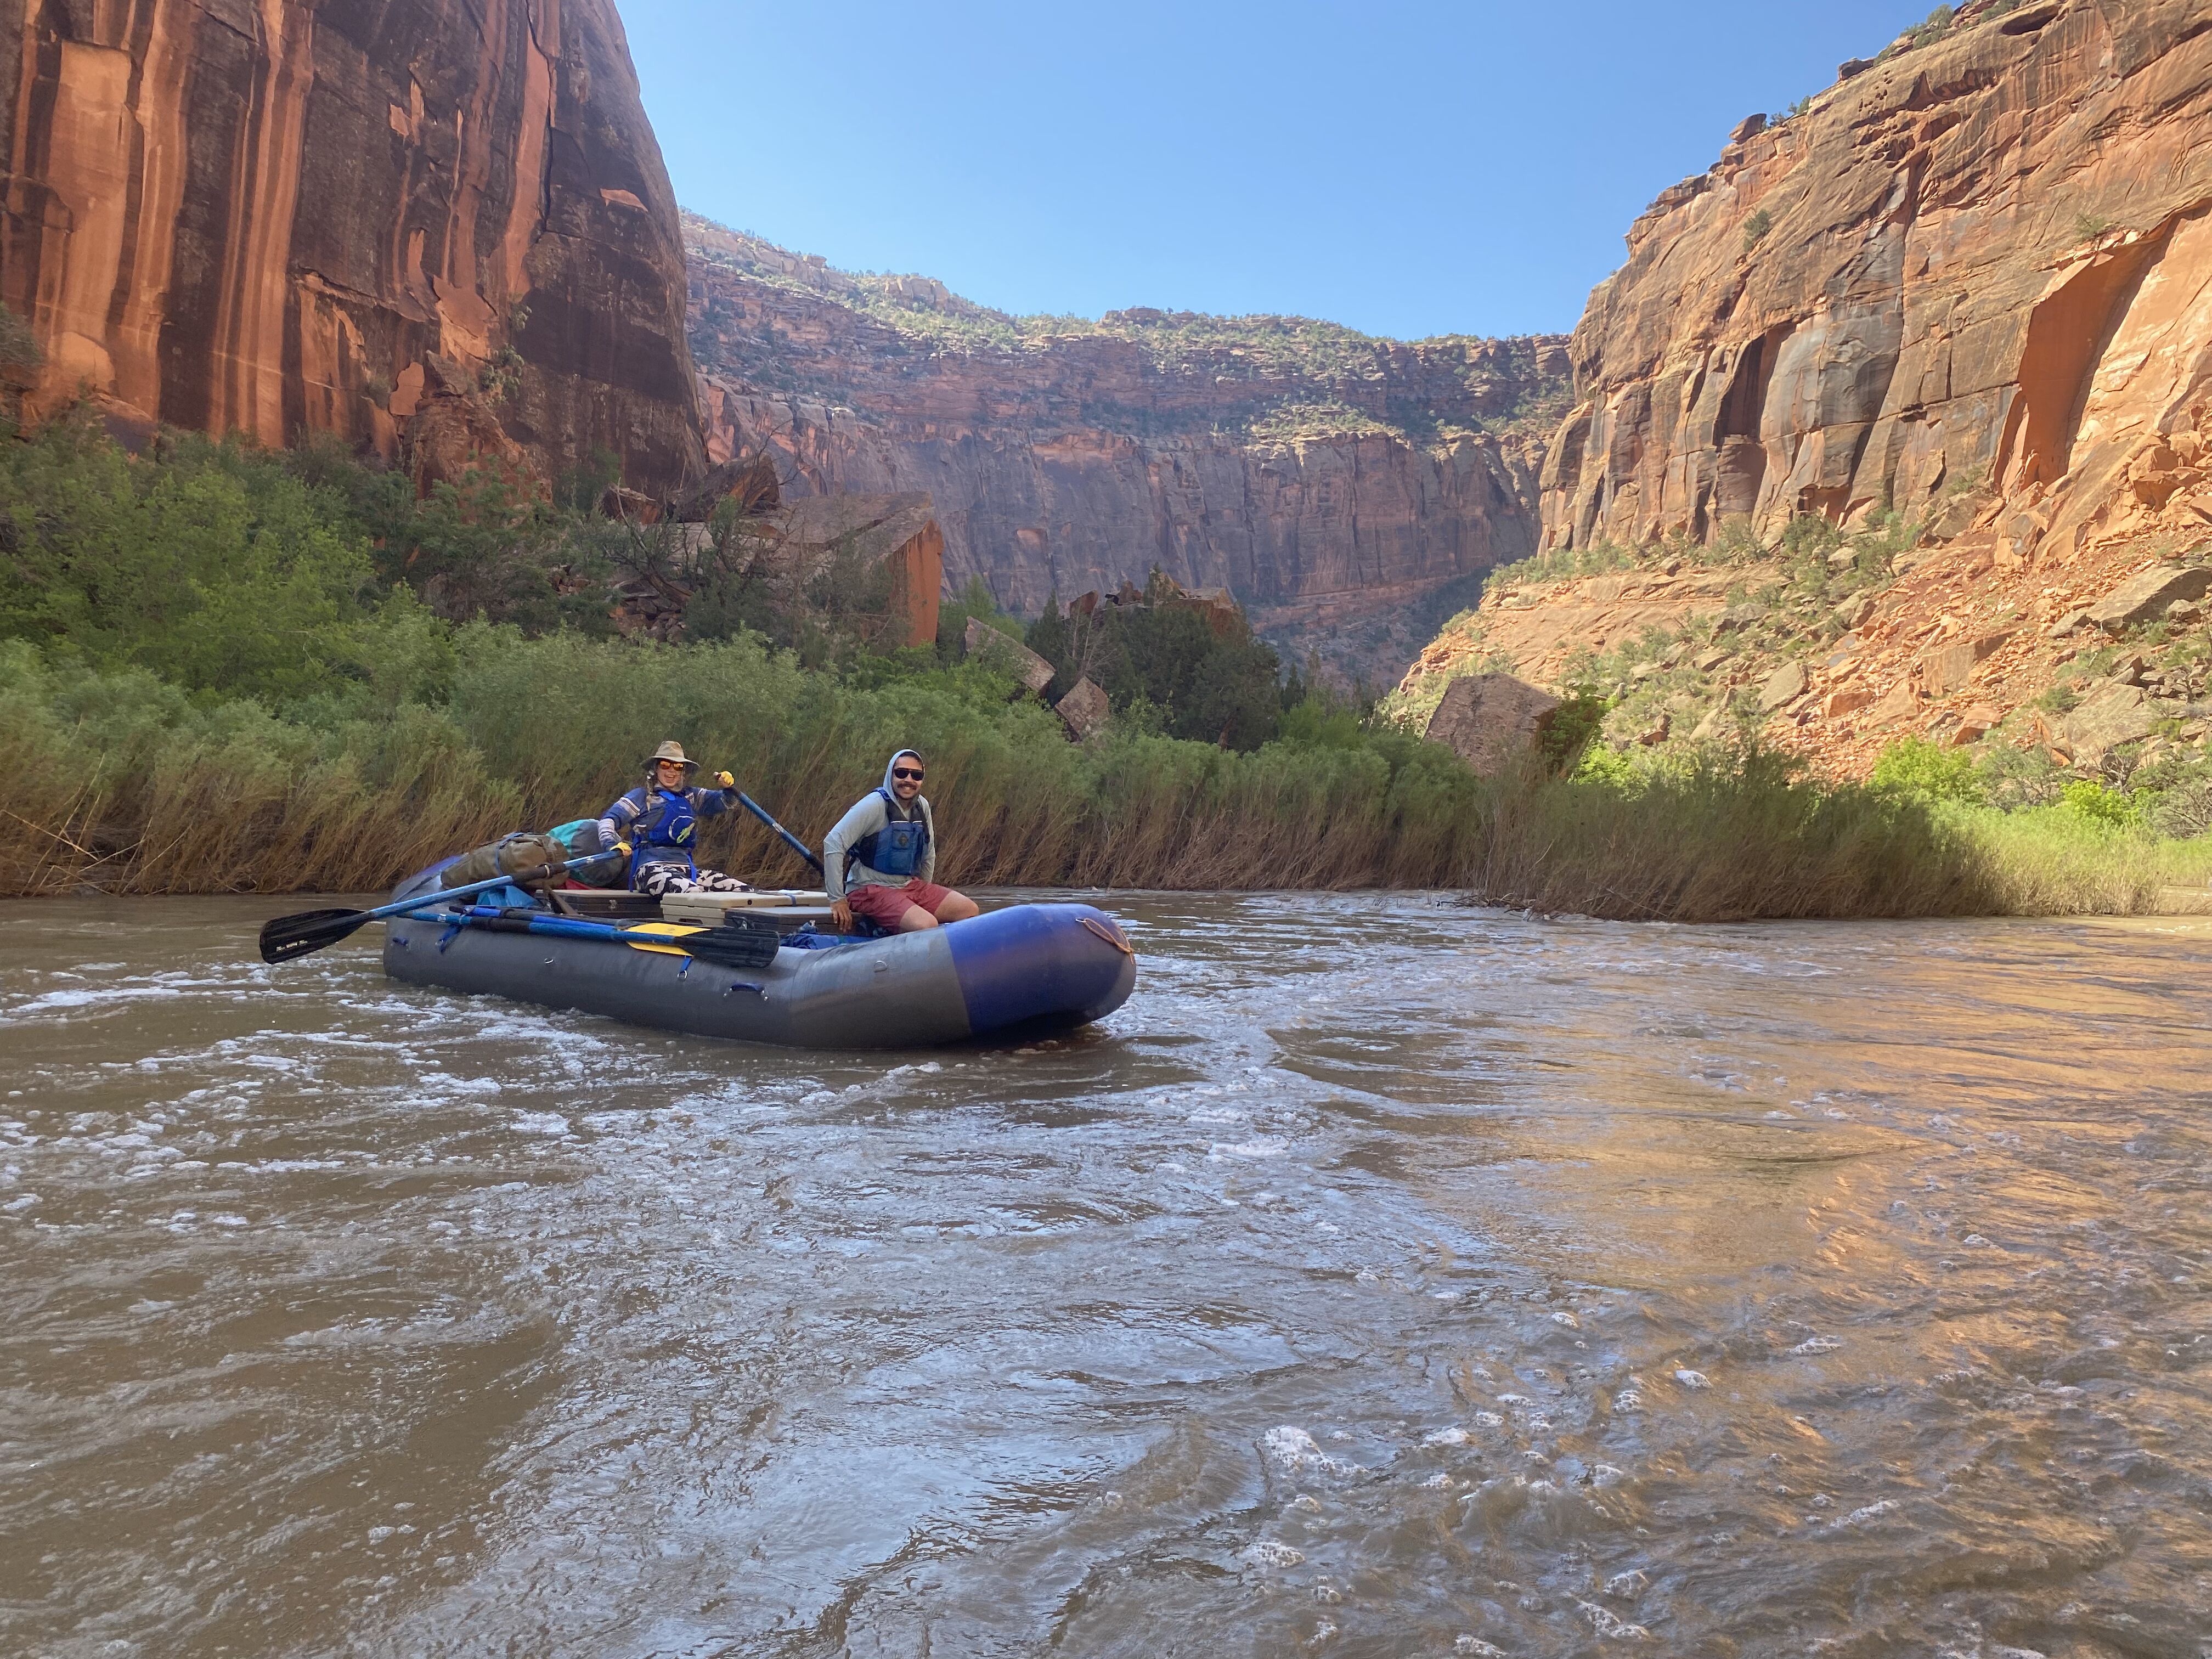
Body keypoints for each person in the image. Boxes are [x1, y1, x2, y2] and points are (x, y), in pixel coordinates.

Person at [823, 749, 979, 933]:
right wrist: (837, 899)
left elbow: (928, 854)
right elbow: (833, 842)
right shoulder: (874, 805)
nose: (909, 780)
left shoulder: (922, 806)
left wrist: (923, 893)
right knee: (926, 924)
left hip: (907, 885)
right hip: (868, 889)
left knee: (969, 911)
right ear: (891, 774)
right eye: (901, 773)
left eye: (916, 775)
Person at [597, 741, 753, 898]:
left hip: (687, 871)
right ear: (656, 769)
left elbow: (725, 802)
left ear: (683, 772)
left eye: (678, 766)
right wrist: (611, 844)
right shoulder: (641, 797)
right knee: (692, 892)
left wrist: (728, 789)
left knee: (743, 892)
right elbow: (608, 820)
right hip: (650, 870)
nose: (671, 770)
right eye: (665, 765)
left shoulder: (690, 796)